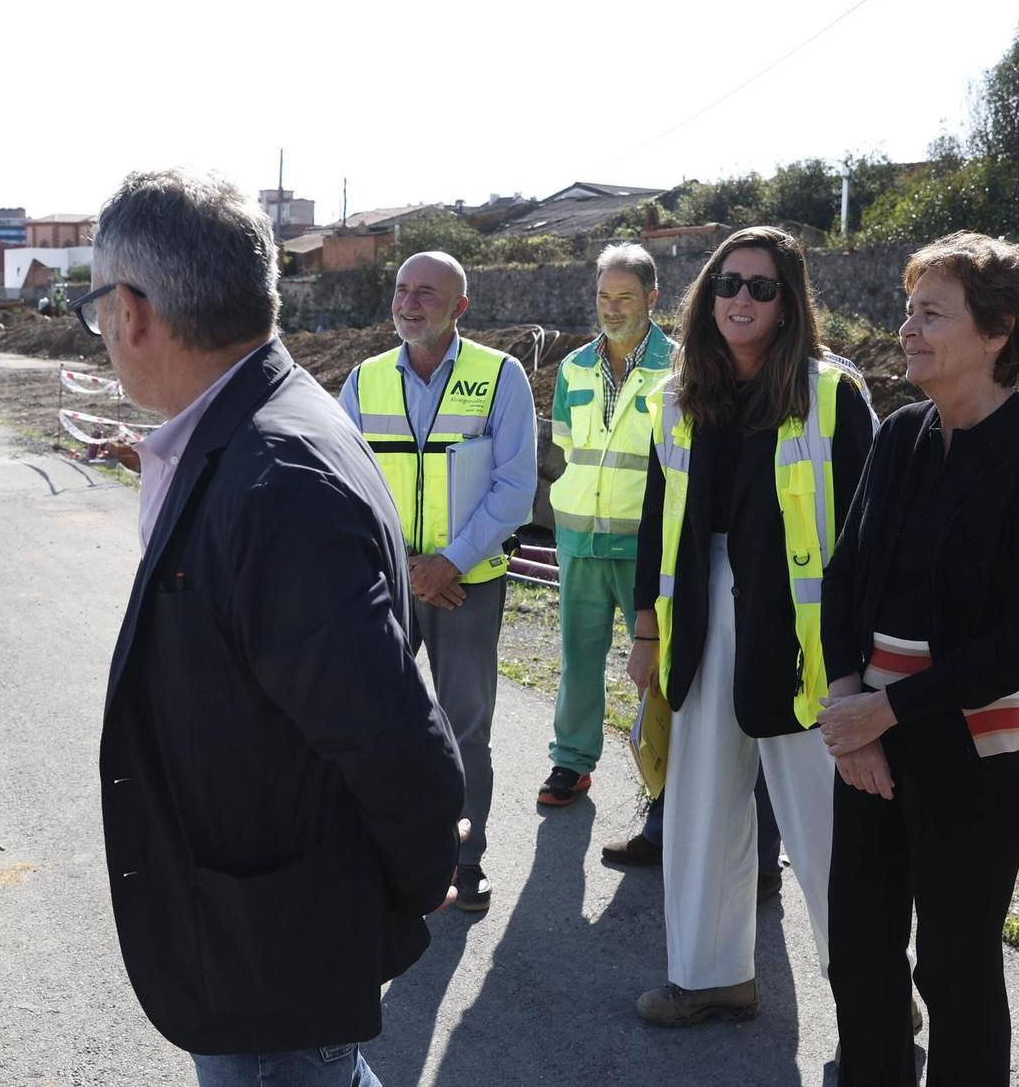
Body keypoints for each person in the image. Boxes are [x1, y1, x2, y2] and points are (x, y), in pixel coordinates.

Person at [92, 170, 465, 1087]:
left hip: (274, 947)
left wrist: (399, 895)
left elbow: (398, 742)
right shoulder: (251, 427)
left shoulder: (276, 474)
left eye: (95, 306)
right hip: (260, 927)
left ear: (133, 311)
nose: (99, 330)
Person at [819, 231, 1019, 1087]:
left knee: (954, 970)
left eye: (931, 313)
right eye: (909, 309)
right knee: (859, 954)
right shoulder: (898, 436)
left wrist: (885, 711)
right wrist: (847, 707)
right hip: (869, 745)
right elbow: (842, 582)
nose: (908, 327)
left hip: (974, 755)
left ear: (997, 330)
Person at [628, 226, 875, 1027]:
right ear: (708, 295)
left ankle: (873, 992)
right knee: (700, 808)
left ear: (789, 301)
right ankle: (709, 977)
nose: (741, 298)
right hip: (699, 620)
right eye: (729, 283)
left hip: (808, 639)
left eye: (762, 288)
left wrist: (858, 656)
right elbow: (657, 517)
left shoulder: (832, 392)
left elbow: (868, 533)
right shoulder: (677, 394)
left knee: (823, 822)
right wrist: (645, 632)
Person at [340, 251, 538, 913]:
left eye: (426, 292)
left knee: (463, 731)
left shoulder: (500, 376)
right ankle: (377, 852)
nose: (408, 301)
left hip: (467, 586)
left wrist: (447, 562)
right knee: (369, 720)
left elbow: (514, 489)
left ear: (460, 306)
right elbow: (339, 485)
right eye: (401, 289)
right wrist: (407, 566)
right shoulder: (364, 381)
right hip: (387, 582)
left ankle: (464, 858)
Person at [542, 243, 675, 810]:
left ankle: (670, 773)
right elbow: (570, 447)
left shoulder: (681, 366)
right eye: (603, 296)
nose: (612, 308)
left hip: (649, 546)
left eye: (625, 297)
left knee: (662, 664)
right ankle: (571, 762)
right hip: (579, 539)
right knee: (579, 660)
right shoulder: (573, 368)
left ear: (652, 298)